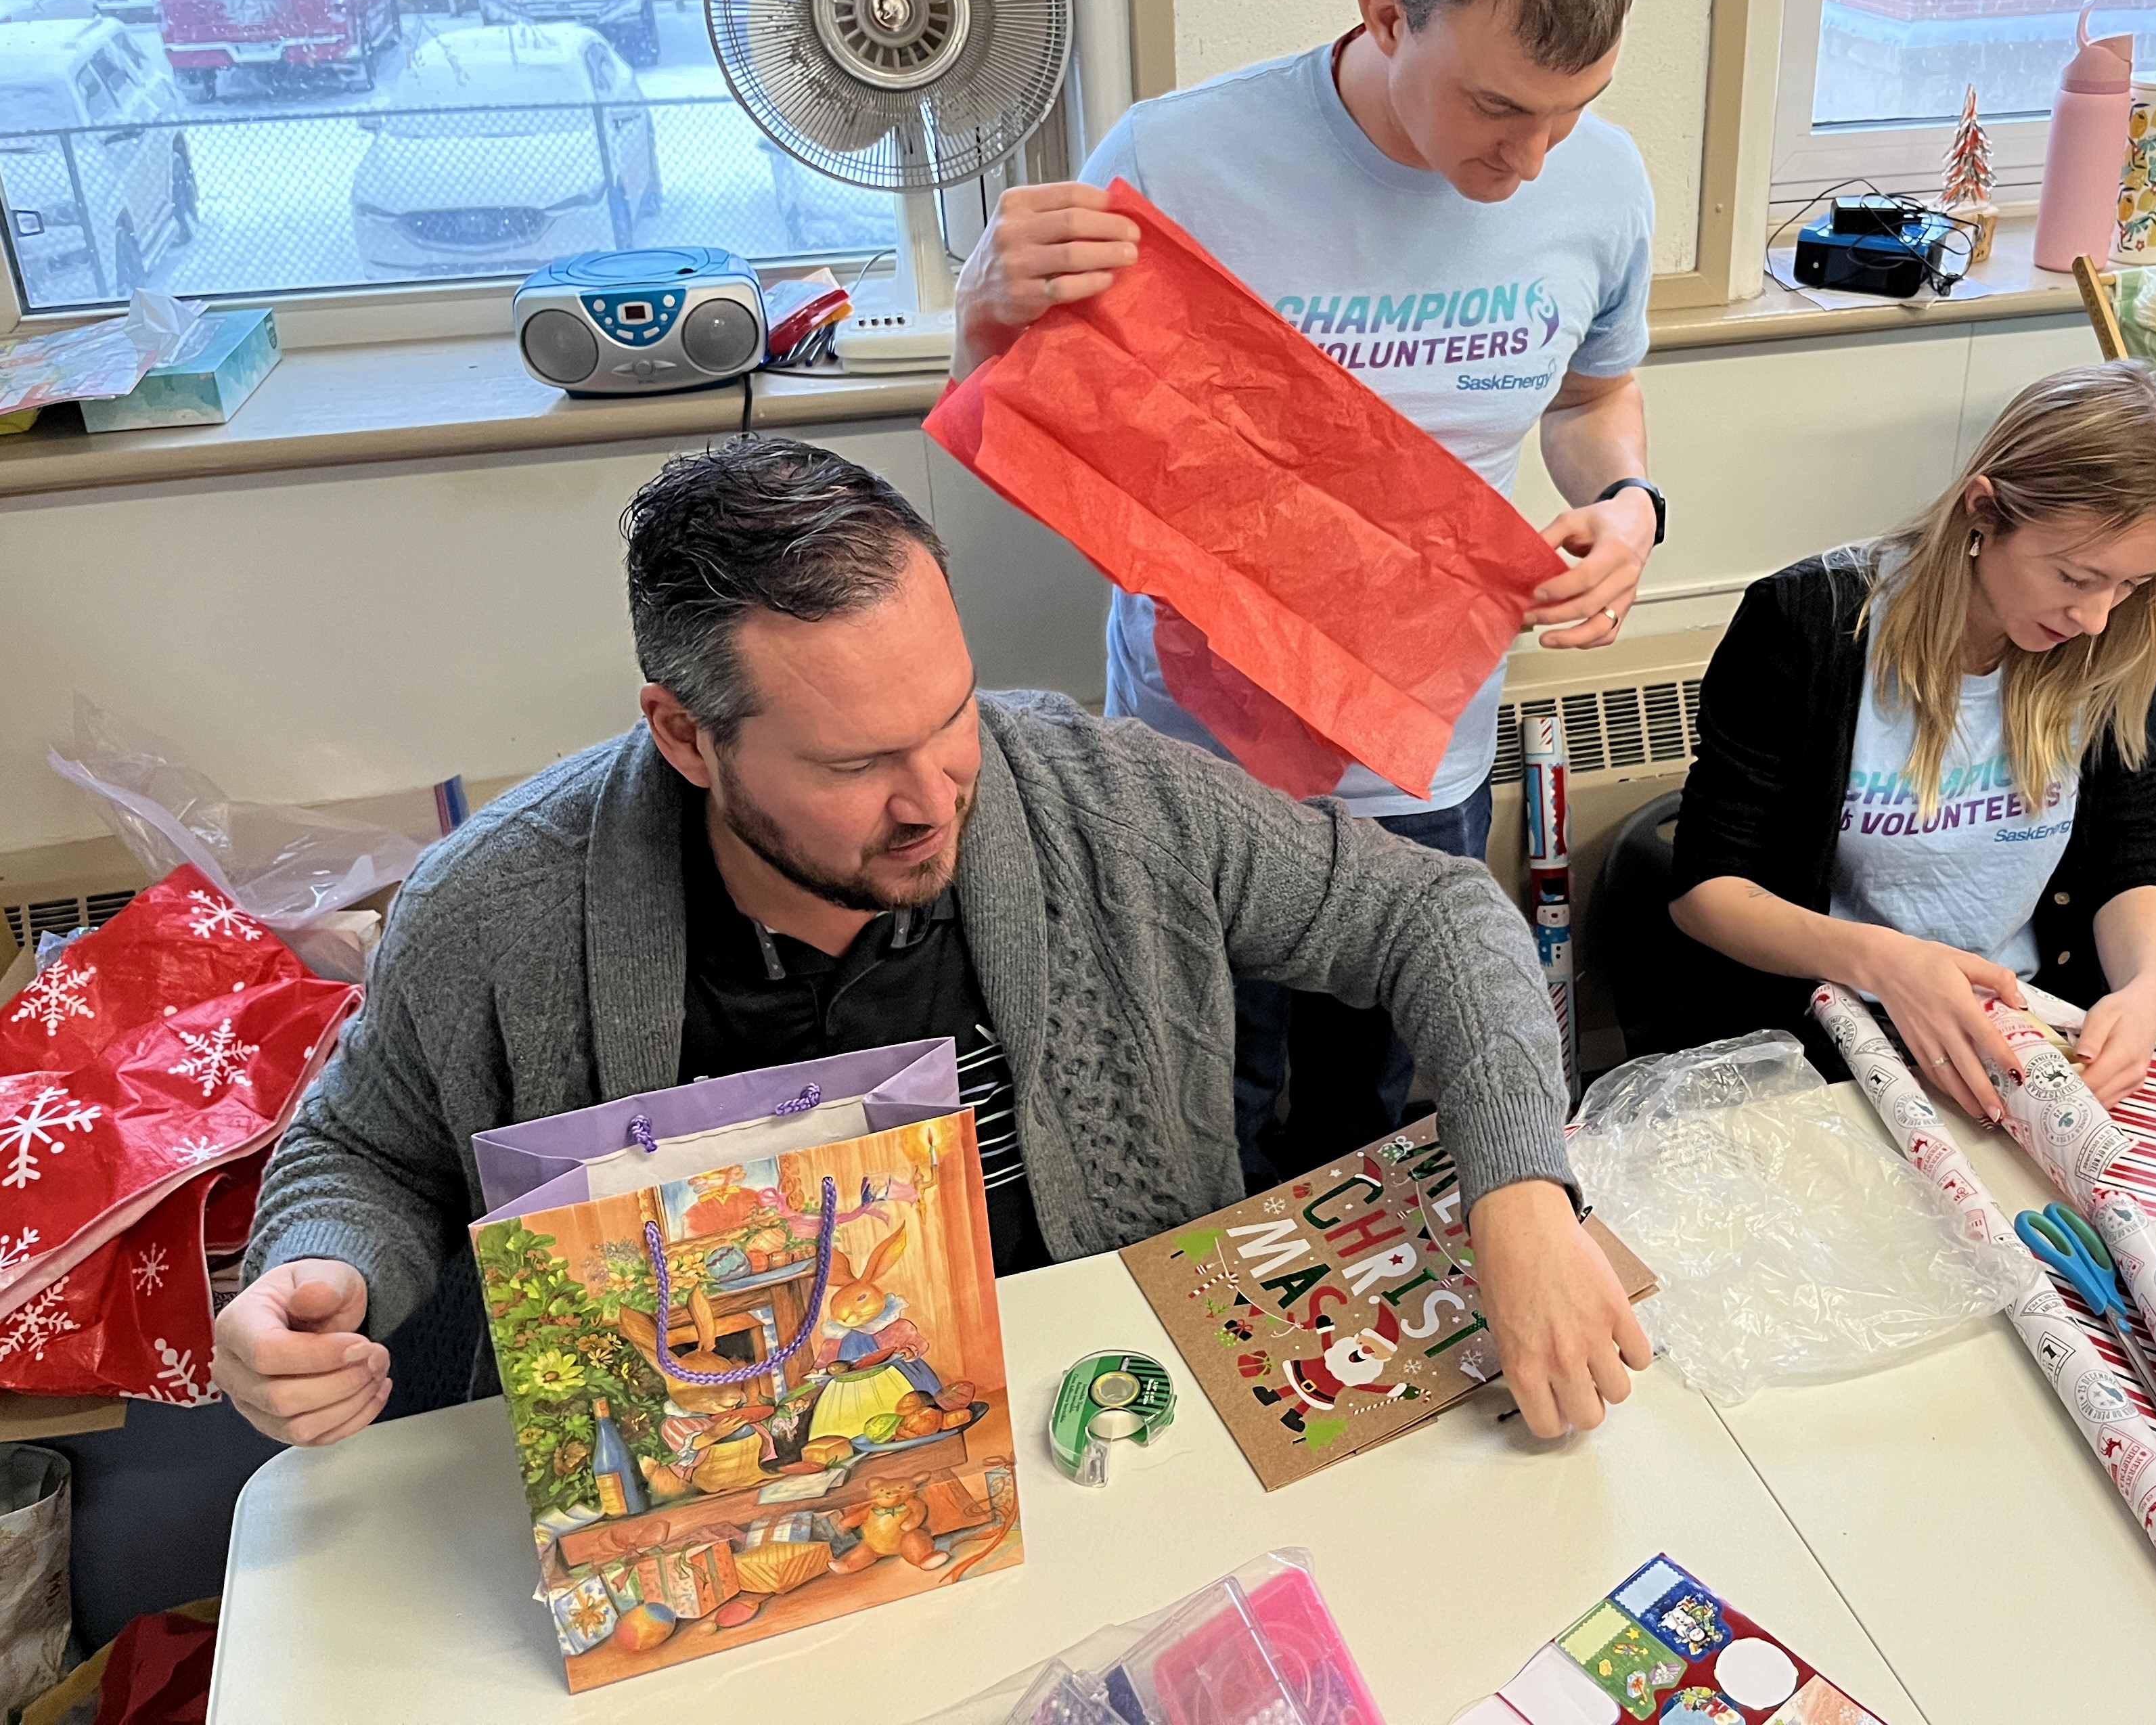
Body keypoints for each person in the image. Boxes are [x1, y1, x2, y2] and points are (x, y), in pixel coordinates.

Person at [219, 439, 1648, 1448]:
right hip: (715, 1482)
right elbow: (364, 1153)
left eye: (949, 715)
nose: (933, 797)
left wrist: (1521, 1188)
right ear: (685, 736)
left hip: (1106, 1418)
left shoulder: (1100, 795)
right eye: (853, 764)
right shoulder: (501, 904)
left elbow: (1434, 911)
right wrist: (318, 1280)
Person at [953, 0, 1665, 1187]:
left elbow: (1592, 403)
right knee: (1190, 1135)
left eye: (1573, 115)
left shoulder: (1605, 189)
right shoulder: (1173, 164)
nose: (1529, 162)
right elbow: (1053, 440)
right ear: (1386, 14)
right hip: (1188, 779)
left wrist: (1632, 505)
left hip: (1429, 762)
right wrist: (983, 322)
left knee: (1385, 1147)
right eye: (1500, 108)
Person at [1665, 363, 2156, 1121]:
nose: (2097, 618)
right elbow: (1706, 895)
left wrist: (2145, 991)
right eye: (2076, 577)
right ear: (1983, 511)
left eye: (2131, 586)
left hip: (2025, 1033)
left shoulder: (2111, 645)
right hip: (1826, 1048)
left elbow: (2126, 859)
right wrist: (1882, 960)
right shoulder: (1808, 622)